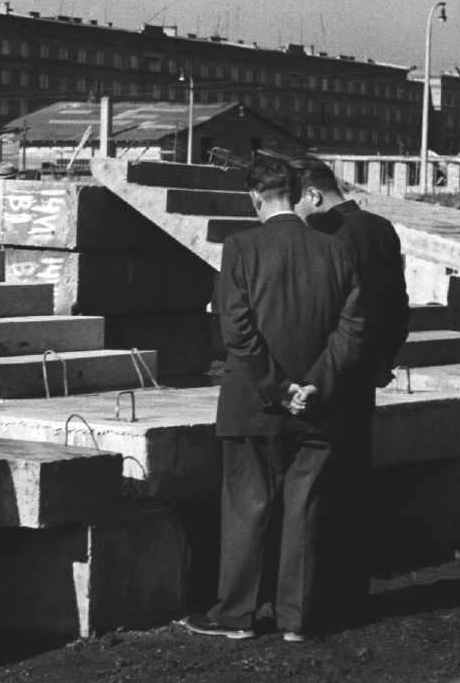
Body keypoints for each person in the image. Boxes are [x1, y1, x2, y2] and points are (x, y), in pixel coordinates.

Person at [182, 155, 366, 642]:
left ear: (255, 197)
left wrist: (278, 387)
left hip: (252, 403)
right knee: (305, 508)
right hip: (318, 405)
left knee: (249, 505)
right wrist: (313, 385)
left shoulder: (240, 246)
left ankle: (236, 615)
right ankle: (298, 620)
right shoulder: (338, 249)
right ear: (298, 192)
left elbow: (237, 332)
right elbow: (352, 330)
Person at [292, 156, 410, 621]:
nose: (297, 213)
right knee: (357, 482)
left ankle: (321, 594)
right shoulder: (382, 229)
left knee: (319, 487)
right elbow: (399, 307)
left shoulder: (324, 234)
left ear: (314, 195)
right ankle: (355, 590)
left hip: (327, 375)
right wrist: (385, 360)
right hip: (367, 375)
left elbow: (326, 315)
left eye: (297, 202)